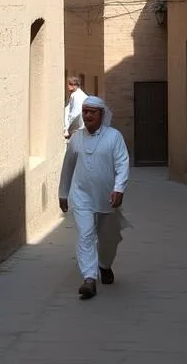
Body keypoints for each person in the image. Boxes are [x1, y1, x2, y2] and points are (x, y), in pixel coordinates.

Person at [59, 95, 130, 299]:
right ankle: (89, 278)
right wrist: (63, 193)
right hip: (81, 196)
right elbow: (67, 168)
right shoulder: (76, 139)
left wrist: (119, 188)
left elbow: (122, 163)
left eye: (92, 111)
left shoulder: (114, 137)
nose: (87, 115)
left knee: (109, 239)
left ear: (102, 114)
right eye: (85, 111)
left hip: (107, 197)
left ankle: (104, 264)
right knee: (85, 235)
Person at [63, 76, 88, 140]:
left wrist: (67, 129)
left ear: (73, 85)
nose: (67, 87)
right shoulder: (79, 95)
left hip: (76, 129)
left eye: (69, 84)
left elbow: (75, 113)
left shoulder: (77, 96)